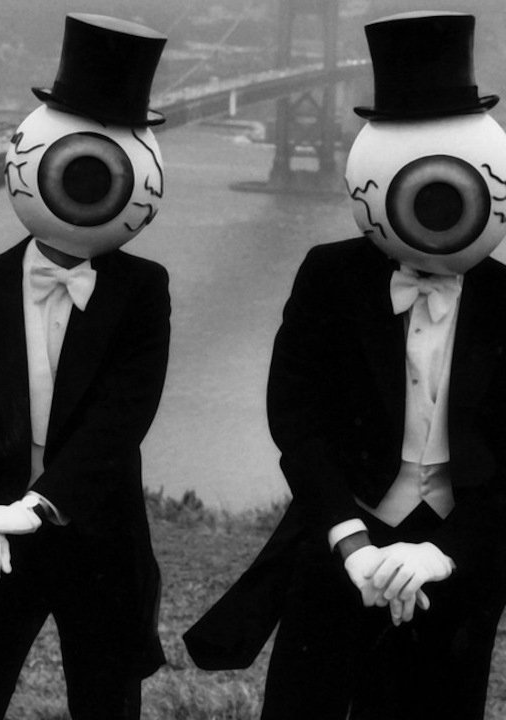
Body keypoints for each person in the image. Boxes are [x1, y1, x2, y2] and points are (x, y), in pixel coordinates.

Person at [185, 12, 506, 720]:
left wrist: (444, 553)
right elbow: (295, 417)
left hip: (461, 570)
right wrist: (350, 539)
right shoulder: (329, 276)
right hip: (337, 550)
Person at [0, 14, 170, 720]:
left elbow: (121, 420)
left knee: (106, 706)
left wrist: (34, 508)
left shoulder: (142, 290)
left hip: (98, 536)